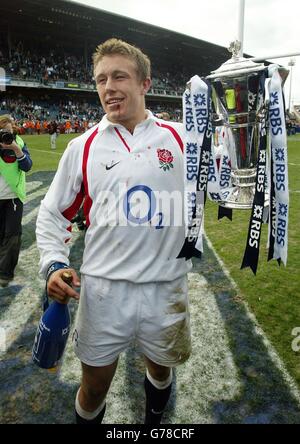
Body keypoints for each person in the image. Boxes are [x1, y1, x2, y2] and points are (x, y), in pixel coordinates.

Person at [36, 38, 192, 424]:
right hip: (104, 291)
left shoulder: (183, 138)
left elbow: (227, 181)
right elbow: (52, 213)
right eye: (101, 79)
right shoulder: (83, 147)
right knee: (94, 387)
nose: (108, 87)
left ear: (145, 83)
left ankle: (154, 425)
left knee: (160, 370)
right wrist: (54, 263)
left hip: (166, 287)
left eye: (119, 76)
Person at [0, 114, 32, 287]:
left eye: (9, 131)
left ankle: (6, 272)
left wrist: (16, 150)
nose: (6, 134)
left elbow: (27, 166)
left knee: (12, 235)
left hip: (13, 196)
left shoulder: (18, 143)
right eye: (3, 131)